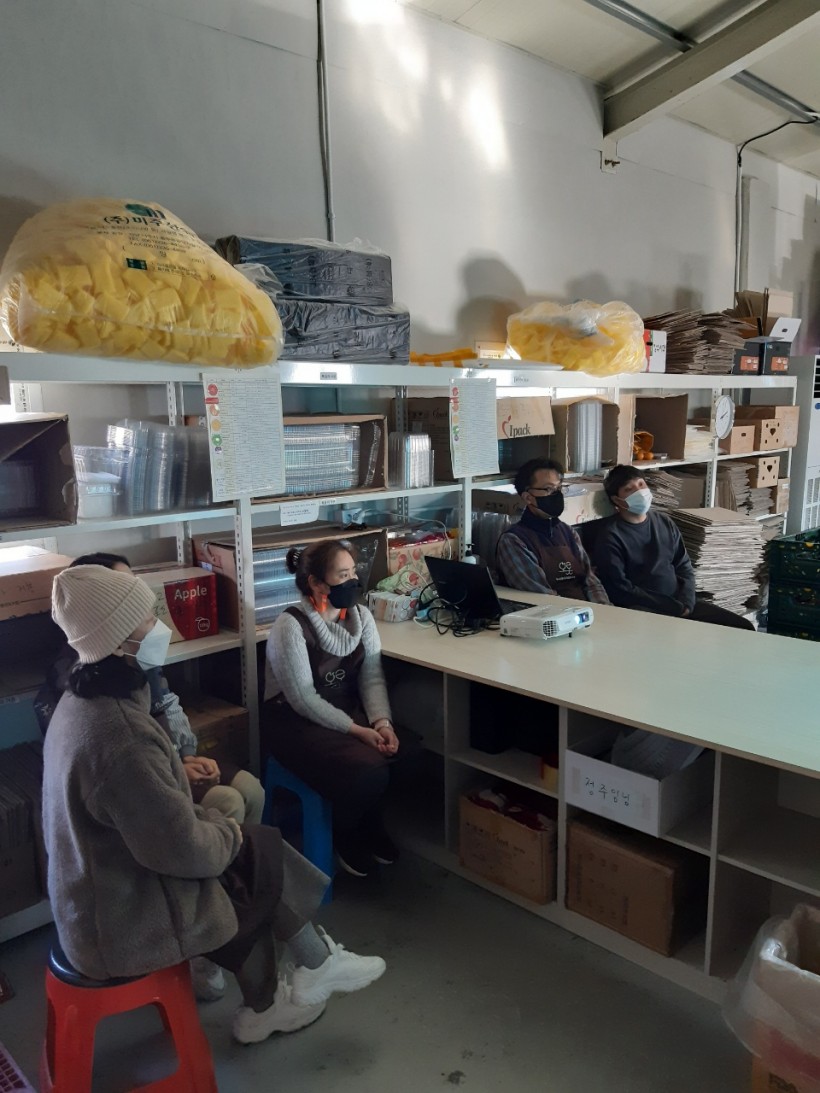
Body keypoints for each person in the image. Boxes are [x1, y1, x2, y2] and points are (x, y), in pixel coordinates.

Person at [44, 564, 386, 1045]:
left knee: (247, 852)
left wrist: (216, 825)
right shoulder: (120, 734)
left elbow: (151, 816)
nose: (161, 627)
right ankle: (284, 991)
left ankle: (307, 972)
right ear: (118, 641)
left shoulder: (84, 700)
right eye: (148, 618)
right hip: (117, 921)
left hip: (101, 892)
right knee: (246, 870)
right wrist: (226, 831)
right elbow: (184, 851)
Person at [36, 552, 265, 829]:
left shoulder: (136, 657)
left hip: (167, 761)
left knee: (251, 788)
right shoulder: (81, 687)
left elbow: (165, 703)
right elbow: (129, 765)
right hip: (147, 776)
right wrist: (176, 769)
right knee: (228, 802)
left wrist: (187, 754)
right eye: (122, 587)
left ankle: (245, 855)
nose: (135, 596)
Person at [262, 539, 399, 880]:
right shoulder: (290, 626)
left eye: (353, 572)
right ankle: (345, 831)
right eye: (342, 575)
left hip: (341, 710)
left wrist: (382, 723)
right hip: (294, 722)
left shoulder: (361, 617)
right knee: (367, 770)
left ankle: (370, 822)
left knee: (403, 753)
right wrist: (359, 731)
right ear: (317, 583)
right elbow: (304, 699)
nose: (353, 581)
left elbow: (371, 677)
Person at [593, 465, 755, 629]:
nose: (639, 492)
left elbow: (683, 565)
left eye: (641, 484)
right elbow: (620, 589)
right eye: (629, 489)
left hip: (680, 602)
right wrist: (671, 606)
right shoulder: (610, 535)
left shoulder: (664, 522)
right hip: (645, 608)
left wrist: (687, 601)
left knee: (743, 627)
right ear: (617, 500)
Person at [495, 458, 610, 603]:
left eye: (558, 488)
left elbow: (591, 582)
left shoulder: (568, 532)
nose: (556, 494)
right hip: (554, 614)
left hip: (588, 611)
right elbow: (542, 596)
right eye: (549, 489)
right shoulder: (513, 540)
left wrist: (604, 608)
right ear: (528, 497)